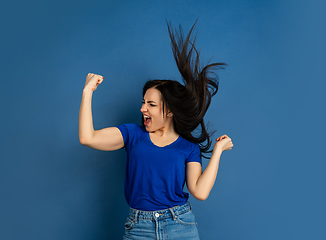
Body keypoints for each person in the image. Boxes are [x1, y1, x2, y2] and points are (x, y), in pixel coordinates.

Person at [79, 21, 233, 240]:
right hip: (138, 227)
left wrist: (217, 152)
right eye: (143, 102)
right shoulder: (133, 134)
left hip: (180, 224)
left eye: (151, 104)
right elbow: (88, 138)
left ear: (169, 111)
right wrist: (87, 92)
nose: (142, 109)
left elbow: (200, 191)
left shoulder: (188, 148)